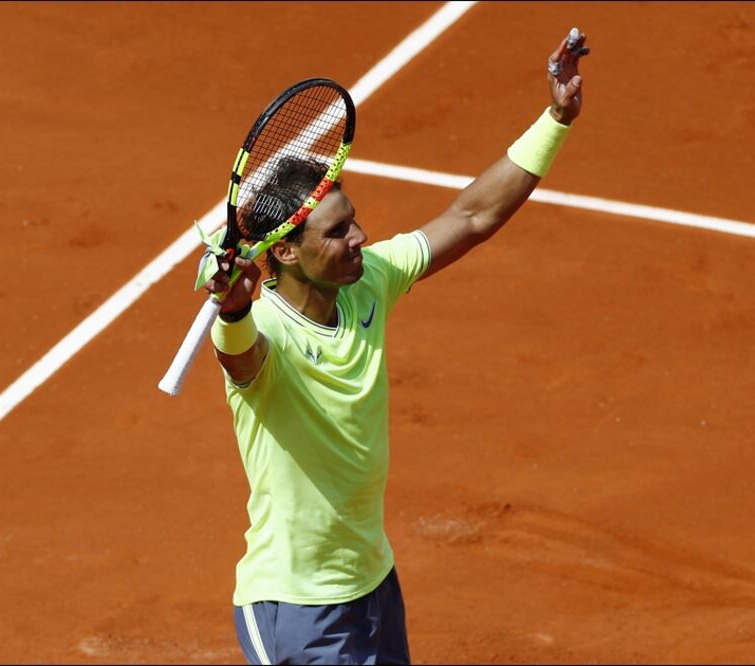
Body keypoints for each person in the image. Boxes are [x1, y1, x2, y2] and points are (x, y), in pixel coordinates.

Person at [204, 28, 589, 665]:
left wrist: (556, 120)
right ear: (286, 253)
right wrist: (234, 307)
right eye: (336, 232)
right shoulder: (265, 329)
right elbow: (239, 356)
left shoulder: (369, 281)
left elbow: (471, 217)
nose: (359, 236)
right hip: (295, 608)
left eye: (352, 219)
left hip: (372, 586)